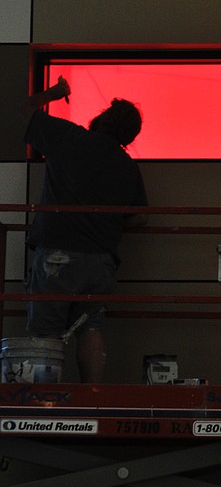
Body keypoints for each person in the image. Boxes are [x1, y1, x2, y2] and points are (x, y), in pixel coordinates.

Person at [21, 76, 148, 382]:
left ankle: (44, 402)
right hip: (99, 262)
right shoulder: (126, 165)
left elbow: (24, 109)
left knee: (46, 331)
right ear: (129, 135)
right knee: (90, 327)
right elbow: (140, 217)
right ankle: (93, 398)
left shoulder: (67, 137)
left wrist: (56, 92)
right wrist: (105, 222)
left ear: (101, 119)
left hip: (57, 255)